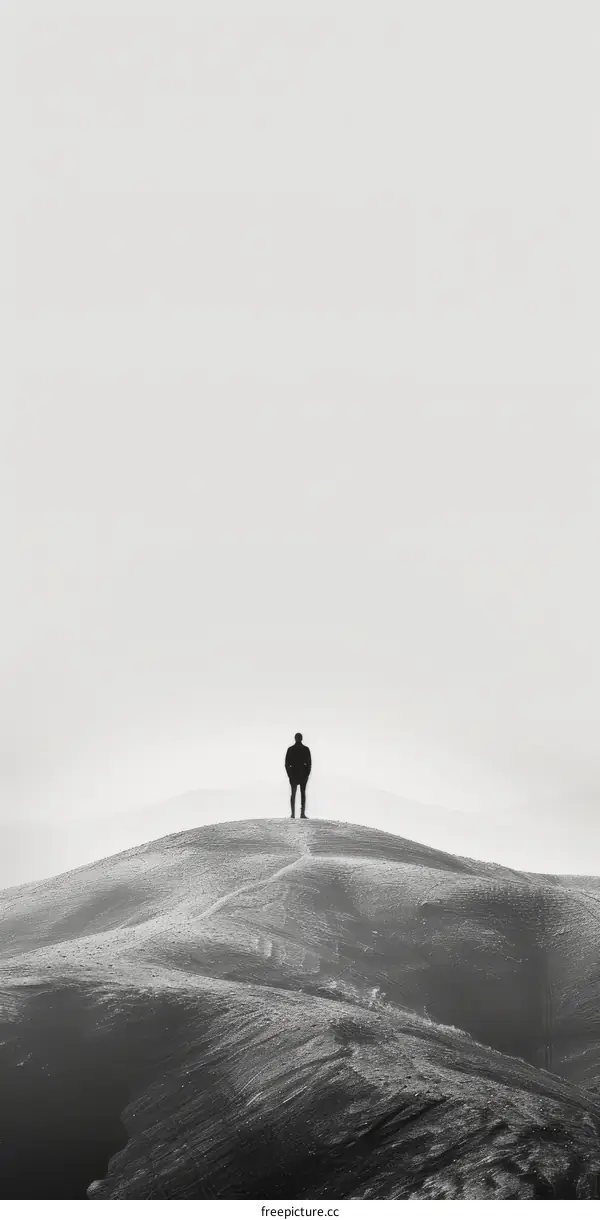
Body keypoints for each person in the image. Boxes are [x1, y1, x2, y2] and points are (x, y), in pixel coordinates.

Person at [285, 732, 311, 819]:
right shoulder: (303, 749)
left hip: (298, 774)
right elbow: (287, 764)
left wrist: (306, 774)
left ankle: (297, 814)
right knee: (298, 794)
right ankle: (297, 814)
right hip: (297, 774)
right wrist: (290, 774)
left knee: (297, 794)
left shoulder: (292, 749)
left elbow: (309, 764)